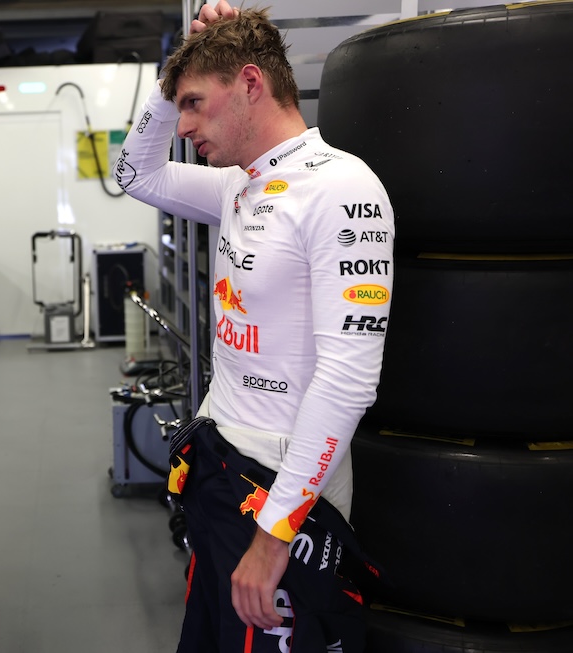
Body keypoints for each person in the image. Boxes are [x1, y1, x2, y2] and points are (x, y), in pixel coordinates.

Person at [115, 3, 394, 651]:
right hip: (218, 466)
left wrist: (274, 535)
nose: (183, 125)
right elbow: (135, 173)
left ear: (249, 82)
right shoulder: (238, 186)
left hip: (282, 493)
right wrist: (175, 75)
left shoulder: (342, 188)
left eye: (193, 103)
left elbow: (349, 380)